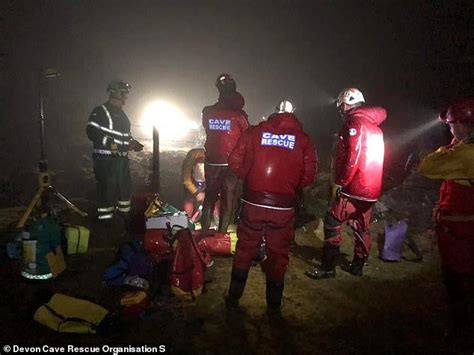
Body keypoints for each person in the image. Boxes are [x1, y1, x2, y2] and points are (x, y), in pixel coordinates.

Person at [225, 100, 318, 314]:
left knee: (245, 249)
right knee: (278, 254)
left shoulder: (254, 132)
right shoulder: (304, 139)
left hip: (252, 203)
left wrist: (251, 180)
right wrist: (288, 186)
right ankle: (274, 307)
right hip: (284, 208)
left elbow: (234, 161)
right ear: (293, 115)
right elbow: (309, 175)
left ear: (274, 113)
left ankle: (233, 299)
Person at [306, 88, 386, 279]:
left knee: (332, 222)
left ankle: (328, 267)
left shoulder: (354, 123)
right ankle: (358, 265)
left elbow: (353, 155)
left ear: (346, 103)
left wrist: (341, 182)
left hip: (353, 187)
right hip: (371, 188)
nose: (340, 109)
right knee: (362, 226)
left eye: (341, 105)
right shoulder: (375, 127)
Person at [418, 98, 474, 333]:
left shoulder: (465, 154)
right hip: (463, 224)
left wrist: (450, 147)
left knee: (456, 275)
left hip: (460, 227)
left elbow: (427, 167)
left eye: (451, 125)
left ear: (461, 125)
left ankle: (460, 325)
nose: (450, 129)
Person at [86, 80, 144, 223]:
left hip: (121, 159)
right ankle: (105, 222)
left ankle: (124, 218)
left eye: (126, 93)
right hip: (105, 159)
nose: (126, 96)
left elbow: (124, 136)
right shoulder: (100, 111)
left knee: (125, 188)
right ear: (114, 93)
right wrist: (109, 143)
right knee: (107, 189)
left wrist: (132, 143)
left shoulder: (122, 115)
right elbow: (91, 131)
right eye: (123, 92)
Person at [201, 74, 249, 232]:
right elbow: (246, 137)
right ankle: (222, 233)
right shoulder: (240, 116)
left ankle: (204, 231)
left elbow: (207, 127)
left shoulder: (207, 112)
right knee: (228, 199)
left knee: (210, 197)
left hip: (212, 162)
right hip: (232, 164)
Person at [182, 147, 206, 221]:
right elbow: (186, 180)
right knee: (189, 202)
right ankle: (187, 221)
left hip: (206, 184)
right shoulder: (192, 157)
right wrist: (196, 192)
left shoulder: (214, 158)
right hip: (192, 184)